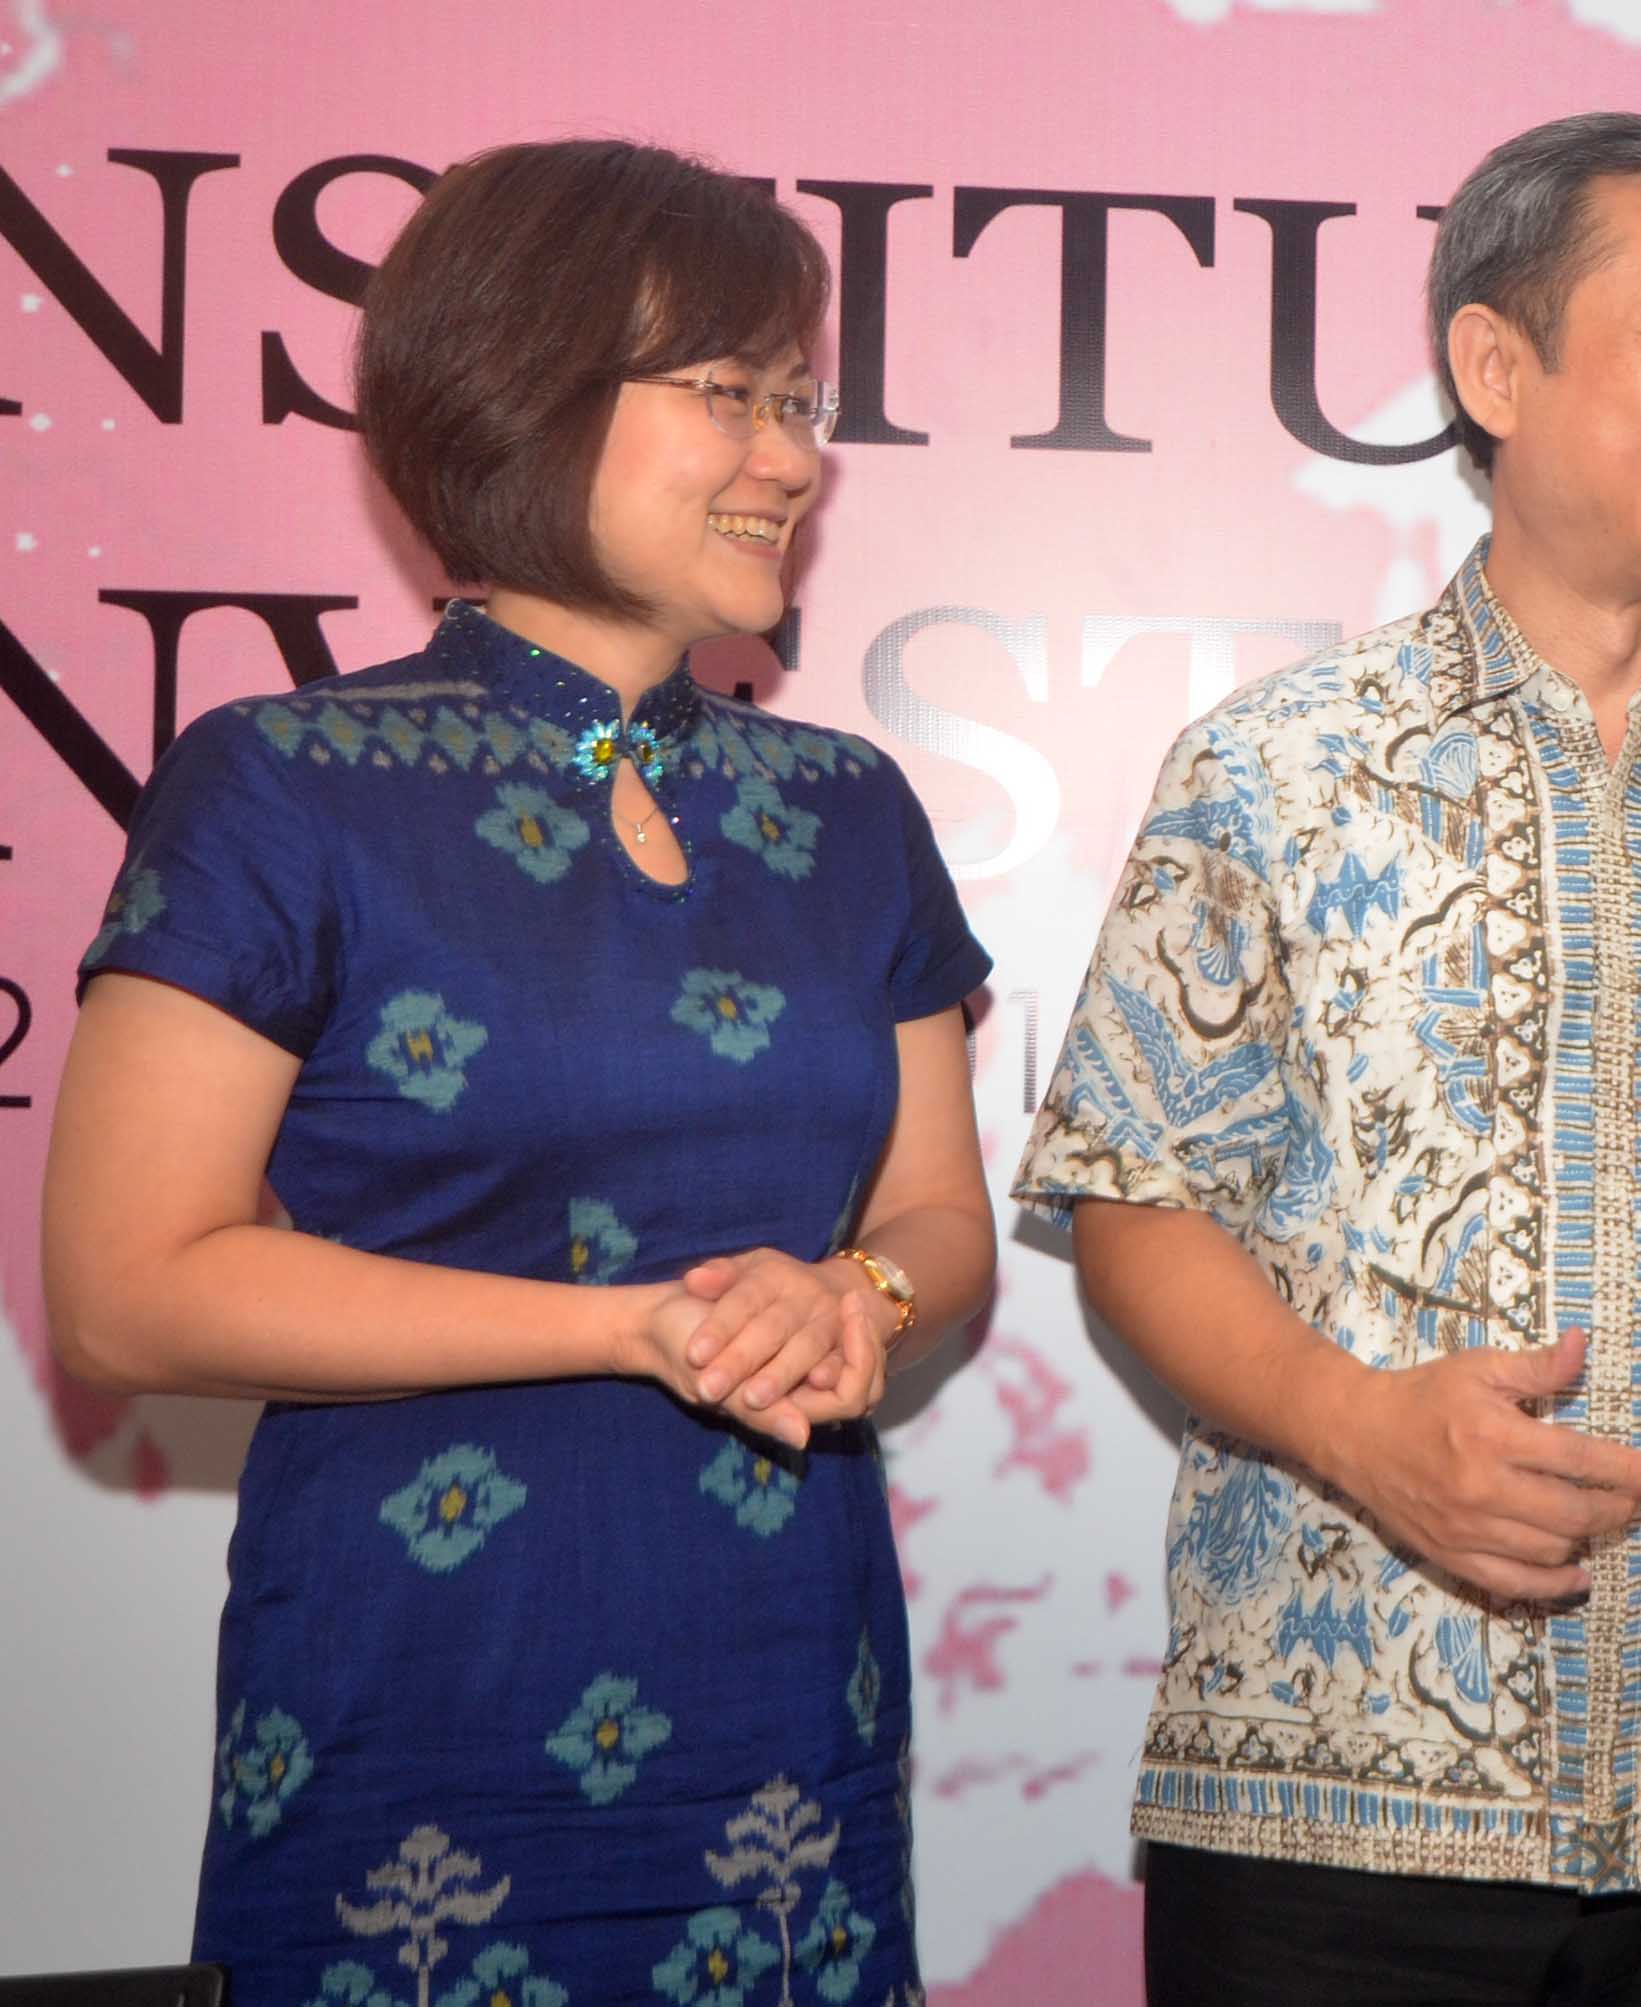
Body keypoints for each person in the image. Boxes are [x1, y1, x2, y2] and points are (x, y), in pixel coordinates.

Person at [1015, 111, 1641, 2005]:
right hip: (1337, 1801)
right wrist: (1360, 1431)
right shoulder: (1280, 765)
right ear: (1497, 367)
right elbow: (1138, 1202)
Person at [42, 139, 993, 2002]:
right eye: (729, 394)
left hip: (790, 1706)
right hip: (417, 1708)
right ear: (520, 388)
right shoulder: (283, 785)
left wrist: (859, 1296)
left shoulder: (848, 807)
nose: (793, 459)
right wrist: (631, 1329)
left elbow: (939, 1217)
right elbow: (125, 1290)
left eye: (800, 402)